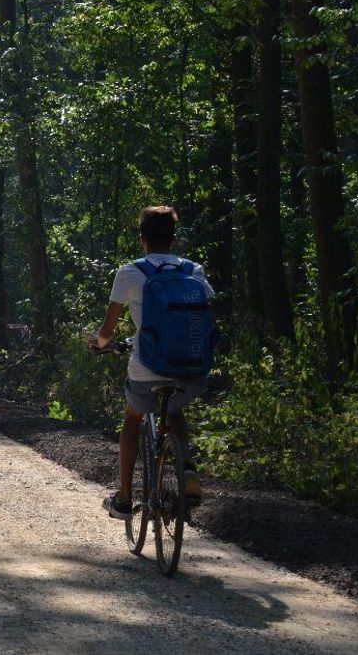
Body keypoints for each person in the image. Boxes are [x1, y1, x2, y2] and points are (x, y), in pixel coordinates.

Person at [89, 206, 214, 519]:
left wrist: (99, 344)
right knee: (175, 409)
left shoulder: (131, 272)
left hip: (147, 367)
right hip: (192, 367)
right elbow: (209, 314)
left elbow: (107, 331)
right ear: (173, 238)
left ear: (142, 239)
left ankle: (124, 497)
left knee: (133, 416)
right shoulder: (193, 270)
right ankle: (186, 471)